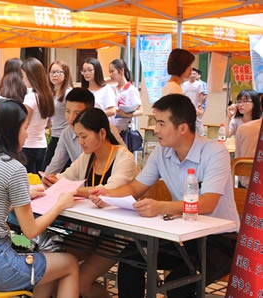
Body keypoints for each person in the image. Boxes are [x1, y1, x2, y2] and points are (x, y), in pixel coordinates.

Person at [89, 94, 240, 298]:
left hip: (220, 240)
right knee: (130, 258)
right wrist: (107, 194)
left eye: (161, 123)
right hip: (183, 234)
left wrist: (160, 207)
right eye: (155, 122)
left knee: (178, 284)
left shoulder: (214, 153)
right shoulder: (162, 153)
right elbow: (135, 188)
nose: (156, 130)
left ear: (183, 128)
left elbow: (207, 204)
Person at [0, 99, 79, 297]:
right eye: (24, 128)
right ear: (10, 131)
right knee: (70, 263)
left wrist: (19, 197)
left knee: (46, 264)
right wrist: (60, 205)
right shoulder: (13, 169)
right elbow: (30, 231)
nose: (27, 133)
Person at [45, 107, 138, 297]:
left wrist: (72, 189)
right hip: (88, 231)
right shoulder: (87, 157)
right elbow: (65, 178)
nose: (80, 142)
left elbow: (110, 190)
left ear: (102, 133)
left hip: (117, 235)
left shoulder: (124, 158)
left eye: (84, 136)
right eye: (78, 137)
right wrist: (54, 182)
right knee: (53, 273)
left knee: (80, 284)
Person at [43, 88, 123, 179]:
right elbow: (56, 164)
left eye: (77, 113)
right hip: (82, 184)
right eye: (68, 111)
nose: (71, 118)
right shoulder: (66, 133)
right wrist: (45, 181)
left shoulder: (106, 130)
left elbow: (122, 158)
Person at [21, 57, 55, 174]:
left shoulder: (31, 97)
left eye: (23, 75)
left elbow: (24, 122)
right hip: (41, 144)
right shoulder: (46, 95)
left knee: (29, 182)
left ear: (30, 75)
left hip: (27, 145)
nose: (22, 79)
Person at [43, 60, 74, 168]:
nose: (54, 75)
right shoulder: (51, 93)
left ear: (65, 75)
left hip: (66, 136)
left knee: (54, 168)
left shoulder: (68, 93)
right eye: (52, 72)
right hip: (54, 134)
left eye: (58, 72)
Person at [234, 91, 263, 188]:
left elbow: (237, 160)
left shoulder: (243, 128)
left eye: (245, 101)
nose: (241, 104)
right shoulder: (237, 122)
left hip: (246, 184)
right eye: (239, 101)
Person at [109, 58, 143, 133]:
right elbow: (100, 82)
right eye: (109, 72)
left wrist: (126, 115)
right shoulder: (112, 88)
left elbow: (140, 111)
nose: (110, 74)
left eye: (112, 71)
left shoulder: (131, 90)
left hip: (125, 130)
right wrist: (109, 79)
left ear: (121, 71)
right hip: (112, 130)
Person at [182, 68, 205, 136]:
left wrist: (200, 105)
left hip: (196, 107)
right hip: (187, 108)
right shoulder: (184, 84)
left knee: (198, 122)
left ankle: (201, 136)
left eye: (194, 74)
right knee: (187, 122)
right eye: (191, 74)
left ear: (196, 75)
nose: (192, 75)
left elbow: (201, 95)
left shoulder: (199, 84)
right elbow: (182, 95)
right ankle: (189, 136)